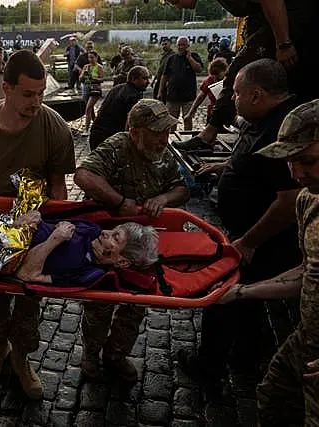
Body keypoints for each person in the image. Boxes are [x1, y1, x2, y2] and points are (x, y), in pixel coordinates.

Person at [178, 59, 302, 394]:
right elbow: (252, 161)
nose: (231, 99)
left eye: (236, 93)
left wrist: (248, 242)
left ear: (257, 95)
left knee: (221, 295)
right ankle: (247, 354)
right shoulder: (259, 120)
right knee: (247, 301)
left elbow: (288, 202)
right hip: (250, 231)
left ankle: (208, 367)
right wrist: (224, 168)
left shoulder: (285, 129)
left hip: (263, 237)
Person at [0, 50, 76, 399]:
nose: (36, 102)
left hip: (36, 221)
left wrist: (55, 232)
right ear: (6, 89)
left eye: (41, 93)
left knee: (29, 293)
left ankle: (22, 358)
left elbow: (58, 185)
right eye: (28, 94)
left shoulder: (53, 125)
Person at [210, 99, 319, 425]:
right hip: (307, 340)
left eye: (308, 161)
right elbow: (309, 273)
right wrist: (243, 291)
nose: (296, 173)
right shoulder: (308, 198)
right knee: (272, 398)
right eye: (288, 162)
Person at [74, 99, 190, 382]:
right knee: (99, 305)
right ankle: (91, 355)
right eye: (156, 132)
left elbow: (183, 188)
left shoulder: (163, 153)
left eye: (166, 132)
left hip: (139, 244)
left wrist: (163, 198)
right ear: (135, 130)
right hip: (107, 242)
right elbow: (83, 175)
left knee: (135, 305)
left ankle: (116, 355)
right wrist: (119, 201)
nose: (163, 139)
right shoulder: (118, 146)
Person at [167, 0, 319, 152]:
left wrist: (283, 43)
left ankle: (210, 133)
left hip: (294, 18)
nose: (171, 3)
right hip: (276, 20)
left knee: (241, 74)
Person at [15, 215, 159, 285]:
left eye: (115, 238)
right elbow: (49, 222)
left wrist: (55, 239)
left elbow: (25, 274)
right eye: (112, 230)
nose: (104, 232)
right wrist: (35, 217)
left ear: (122, 262)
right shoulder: (92, 230)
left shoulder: (88, 273)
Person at [88, 66, 150, 151]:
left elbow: (101, 110)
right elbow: (130, 122)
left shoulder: (117, 88)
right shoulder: (133, 95)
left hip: (96, 134)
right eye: (145, 78)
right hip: (110, 138)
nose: (148, 82)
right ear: (133, 79)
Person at [159, 37, 203, 131]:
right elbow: (165, 76)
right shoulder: (172, 58)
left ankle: (187, 137)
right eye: (179, 45)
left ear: (188, 46)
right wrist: (160, 91)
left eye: (183, 45)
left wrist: (190, 59)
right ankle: (171, 139)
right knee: (171, 121)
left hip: (188, 96)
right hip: (172, 96)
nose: (181, 47)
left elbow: (199, 69)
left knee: (187, 119)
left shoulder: (194, 56)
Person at [184, 57, 228, 124]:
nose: (215, 80)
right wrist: (190, 113)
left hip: (227, 114)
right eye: (213, 77)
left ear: (224, 71)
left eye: (218, 77)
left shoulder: (230, 80)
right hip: (212, 114)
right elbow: (200, 97)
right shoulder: (209, 80)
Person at [79, 51, 105, 137]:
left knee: (88, 108)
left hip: (95, 89)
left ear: (96, 58)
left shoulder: (99, 67)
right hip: (86, 88)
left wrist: (92, 77)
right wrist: (83, 75)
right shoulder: (86, 66)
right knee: (91, 110)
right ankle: (97, 125)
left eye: (92, 57)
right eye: (89, 57)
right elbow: (80, 79)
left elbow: (101, 79)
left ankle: (86, 129)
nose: (90, 59)